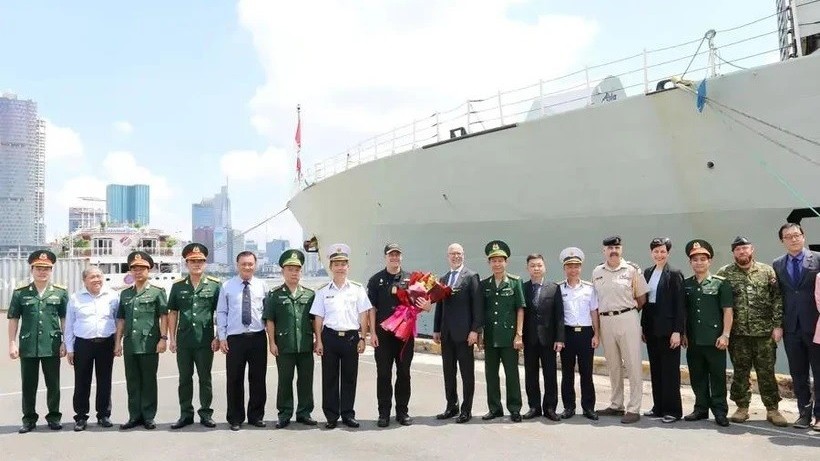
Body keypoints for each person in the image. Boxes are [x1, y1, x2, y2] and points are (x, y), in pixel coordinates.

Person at [716, 236, 787, 427]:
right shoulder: (724, 273)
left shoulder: (766, 271)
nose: (742, 252)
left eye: (745, 248)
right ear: (733, 253)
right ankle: (742, 407)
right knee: (740, 372)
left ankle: (772, 409)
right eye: (738, 249)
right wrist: (724, 332)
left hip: (764, 333)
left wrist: (777, 325)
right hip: (738, 334)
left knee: (766, 372)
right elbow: (719, 304)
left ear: (752, 249)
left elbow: (777, 299)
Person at [310, 244, 372, 429]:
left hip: (351, 338)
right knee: (329, 378)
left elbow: (364, 315)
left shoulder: (357, 289)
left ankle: (347, 414)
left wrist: (363, 338)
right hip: (329, 337)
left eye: (343, 263)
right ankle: (331, 415)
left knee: (349, 377)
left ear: (348, 267)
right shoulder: (322, 291)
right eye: (336, 264)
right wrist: (318, 340)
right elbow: (318, 318)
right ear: (331, 267)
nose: (340, 267)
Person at [7, 250, 68, 433]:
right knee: (28, 384)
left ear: (51, 271)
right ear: (32, 269)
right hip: (28, 346)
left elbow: (65, 319)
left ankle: (54, 417)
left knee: (53, 384)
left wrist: (65, 342)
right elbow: (13, 319)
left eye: (46, 269)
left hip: (51, 345)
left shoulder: (60, 293)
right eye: (39, 268)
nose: (42, 272)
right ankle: (29, 419)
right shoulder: (21, 293)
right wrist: (11, 342)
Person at [592, 235, 649, 424]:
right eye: (609, 248)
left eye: (616, 247)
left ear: (621, 249)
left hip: (627, 317)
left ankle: (634, 408)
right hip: (605, 320)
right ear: (604, 251)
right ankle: (616, 404)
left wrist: (629, 313)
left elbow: (642, 298)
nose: (613, 251)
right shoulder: (597, 272)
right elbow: (595, 302)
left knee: (633, 364)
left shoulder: (632, 270)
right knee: (613, 364)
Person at [772, 223, 820, 429]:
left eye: (796, 235)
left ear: (803, 236)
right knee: (798, 373)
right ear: (782, 240)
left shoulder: (817, 258)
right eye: (788, 236)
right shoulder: (778, 264)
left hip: (816, 326)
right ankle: (804, 413)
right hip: (790, 326)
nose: (793, 239)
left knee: (819, 372)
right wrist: (778, 324)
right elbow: (777, 296)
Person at [168, 243, 220, 429]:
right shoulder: (178, 287)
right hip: (184, 340)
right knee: (184, 378)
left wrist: (218, 336)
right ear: (186, 263)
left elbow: (220, 313)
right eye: (192, 261)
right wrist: (172, 339)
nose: (196, 264)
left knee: (205, 378)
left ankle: (206, 413)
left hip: (206, 340)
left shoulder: (214, 286)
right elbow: (173, 313)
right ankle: (186, 414)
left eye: (200, 261)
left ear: (205, 263)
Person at [115, 251, 169, 430]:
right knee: (132, 380)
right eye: (134, 269)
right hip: (130, 343)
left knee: (148, 380)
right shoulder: (125, 295)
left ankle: (148, 416)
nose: (138, 272)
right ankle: (134, 416)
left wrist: (163, 338)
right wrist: (117, 342)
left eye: (142, 269)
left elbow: (163, 316)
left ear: (149, 270)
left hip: (149, 343)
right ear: (130, 271)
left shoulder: (157, 292)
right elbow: (121, 320)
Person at [681, 239, 733, 427]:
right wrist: (684, 333)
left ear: (709, 261)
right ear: (690, 263)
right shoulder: (686, 285)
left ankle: (720, 410)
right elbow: (684, 312)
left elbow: (728, 310)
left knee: (717, 377)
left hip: (715, 340)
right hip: (694, 340)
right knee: (697, 375)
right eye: (695, 260)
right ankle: (701, 408)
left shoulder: (721, 284)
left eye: (703, 259)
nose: (699, 262)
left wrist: (725, 334)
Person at [264, 249, 317, 429]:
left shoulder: (310, 294)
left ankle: (304, 412)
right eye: (290, 269)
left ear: (301, 272)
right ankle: (285, 413)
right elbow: (270, 320)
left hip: (305, 344)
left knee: (306, 381)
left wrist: (318, 340)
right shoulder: (275, 294)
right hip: (284, 346)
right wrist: (271, 342)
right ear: (283, 272)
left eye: (297, 269)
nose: (294, 273)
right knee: (285, 381)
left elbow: (315, 320)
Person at [216, 250, 269, 431]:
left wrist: (272, 339)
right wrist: (222, 336)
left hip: (258, 337)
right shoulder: (227, 286)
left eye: (250, 264)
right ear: (237, 265)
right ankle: (235, 418)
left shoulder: (263, 286)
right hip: (235, 339)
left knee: (258, 379)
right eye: (243, 264)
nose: (247, 267)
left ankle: (256, 416)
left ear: (256, 265)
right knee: (235, 379)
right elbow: (222, 312)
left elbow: (268, 314)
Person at [433, 243, 484, 423]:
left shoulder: (471, 277)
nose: (456, 257)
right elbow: (440, 305)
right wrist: (436, 329)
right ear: (447, 256)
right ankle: (451, 406)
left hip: (464, 334)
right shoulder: (444, 278)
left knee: (466, 373)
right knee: (448, 372)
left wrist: (474, 331)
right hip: (446, 334)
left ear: (464, 255)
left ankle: (466, 409)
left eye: (459, 254)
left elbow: (477, 306)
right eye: (452, 254)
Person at [64, 266, 118, 431]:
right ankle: (81, 417)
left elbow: (118, 321)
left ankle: (103, 415)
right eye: (92, 277)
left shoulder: (113, 296)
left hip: (105, 343)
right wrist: (70, 348)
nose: (96, 280)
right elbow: (69, 325)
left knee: (105, 381)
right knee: (81, 381)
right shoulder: (75, 298)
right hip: (83, 344)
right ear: (84, 280)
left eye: (99, 276)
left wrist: (117, 343)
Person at [479, 240, 525, 422]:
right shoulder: (485, 285)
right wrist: (480, 335)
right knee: (491, 375)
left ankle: (514, 408)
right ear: (489, 263)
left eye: (500, 260)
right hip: (491, 337)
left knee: (512, 374)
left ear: (506, 262)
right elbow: (482, 312)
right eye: (493, 261)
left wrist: (519, 334)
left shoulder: (515, 283)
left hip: (509, 337)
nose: (497, 264)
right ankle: (495, 408)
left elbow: (520, 308)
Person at [367, 243, 412, 427]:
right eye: (391, 255)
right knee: (383, 374)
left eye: (397, 255)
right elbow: (371, 308)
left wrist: (426, 305)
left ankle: (402, 412)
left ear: (401, 257)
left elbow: (420, 304)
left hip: (404, 336)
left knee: (404, 374)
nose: (394, 258)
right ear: (385, 257)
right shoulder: (375, 280)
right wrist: (372, 333)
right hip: (383, 336)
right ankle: (384, 413)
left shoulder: (411, 279)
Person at [641, 237, 684, 423]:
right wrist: (643, 327)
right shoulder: (648, 272)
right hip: (652, 328)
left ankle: (672, 410)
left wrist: (678, 331)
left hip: (669, 330)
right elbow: (645, 302)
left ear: (668, 253)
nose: (659, 255)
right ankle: (658, 407)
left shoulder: (674, 274)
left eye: (662, 251)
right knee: (656, 369)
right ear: (651, 253)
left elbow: (680, 305)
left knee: (670, 371)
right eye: (656, 251)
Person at [558, 247, 600, 421]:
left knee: (586, 372)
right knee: (567, 373)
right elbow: (558, 316)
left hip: (585, 333)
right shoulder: (559, 289)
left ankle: (588, 407)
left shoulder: (590, 289)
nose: (573, 270)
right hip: (567, 334)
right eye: (569, 266)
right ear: (564, 269)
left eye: (576, 266)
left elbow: (594, 312)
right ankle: (569, 407)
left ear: (581, 268)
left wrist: (596, 334)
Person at [521, 253, 564, 421]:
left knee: (550, 374)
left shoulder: (554, 288)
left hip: (548, 339)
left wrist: (560, 338)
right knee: (530, 374)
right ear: (528, 268)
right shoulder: (522, 288)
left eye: (539, 265)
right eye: (532, 266)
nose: (536, 268)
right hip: (529, 339)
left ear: (544, 267)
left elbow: (559, 316)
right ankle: (534, 407)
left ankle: (550, 408)